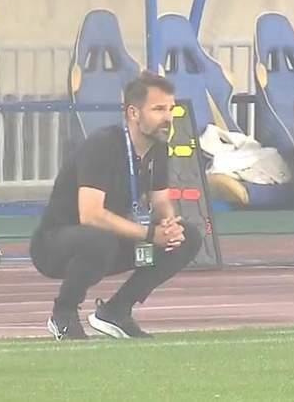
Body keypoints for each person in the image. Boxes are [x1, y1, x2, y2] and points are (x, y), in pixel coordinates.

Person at [30, 71, 202, 340]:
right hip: (56, 245)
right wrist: (149, 234)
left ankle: (116, 311)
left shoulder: (158, 147)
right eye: (158, 109)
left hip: (108, 241)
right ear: (134, 113)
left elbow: (160, 200)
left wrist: (169, 226)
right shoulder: (103, 145)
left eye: (171, 109)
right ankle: (63, 313)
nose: (168, 117)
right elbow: (90, 215)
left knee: (188, 237)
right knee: (100, 239)